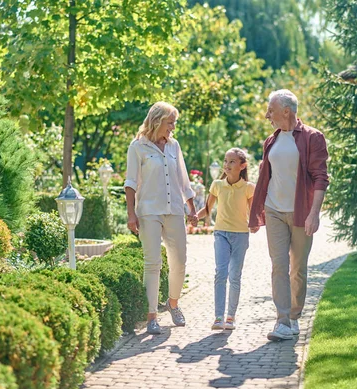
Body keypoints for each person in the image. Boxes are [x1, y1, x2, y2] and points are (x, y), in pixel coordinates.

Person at [248, 89, 330, 341]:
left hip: (301, 212)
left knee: (298, 269)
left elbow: (320, 178)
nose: (266, 115)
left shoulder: (312, 138)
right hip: (273, 210)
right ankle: (282, 321)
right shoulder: (271, 140)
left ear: (286, 111)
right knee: (279, 266)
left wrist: (314, 214)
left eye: (270, 110)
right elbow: (265, 177)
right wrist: (256, 211)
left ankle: (294, 316)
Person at [124, 102, 198, 335]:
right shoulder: (138, 147)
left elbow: (183, 180)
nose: (173, 127)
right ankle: (152, 315)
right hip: (149, 211)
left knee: (180, 261)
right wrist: (131, 213)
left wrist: (192, 209)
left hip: (174, 209)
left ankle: (173, 303)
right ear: (157, 121)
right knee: (152, 263)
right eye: (170, 122)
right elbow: (131, 182)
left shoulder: (174, 146)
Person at [197, 148, 255, 331]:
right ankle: (218, 317)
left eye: (232, 162)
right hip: (220, 232)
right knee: (221, 273)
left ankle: (231, 317)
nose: (227, 165)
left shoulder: (248, 187)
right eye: (225, 161)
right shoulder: (217, 185)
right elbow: (207, 209)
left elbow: (253, 213)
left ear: (242, 165)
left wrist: (255, 224)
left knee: (235, 276)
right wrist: (194, 217)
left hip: (240, 235)